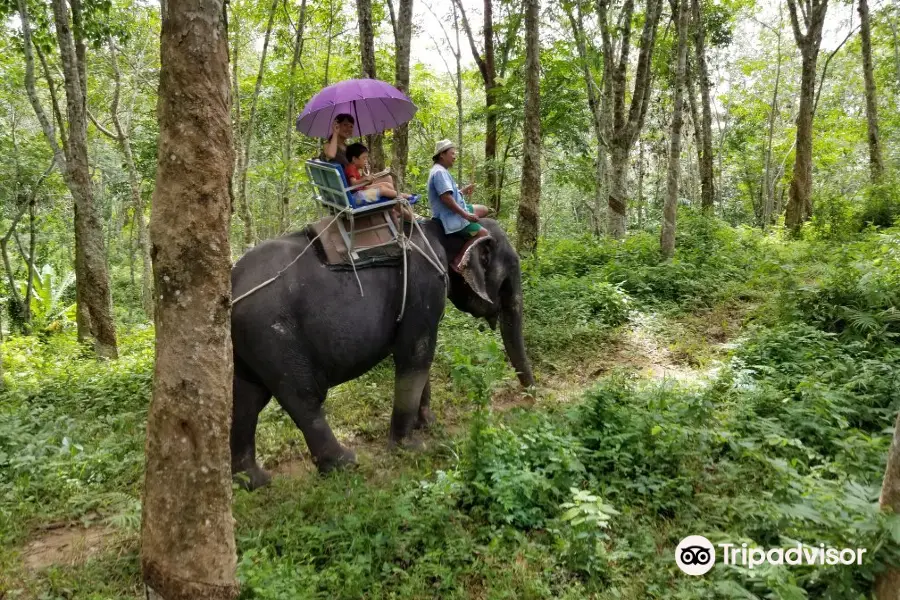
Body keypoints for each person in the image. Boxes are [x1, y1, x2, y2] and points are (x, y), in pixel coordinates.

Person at [427, 139, 491, 272]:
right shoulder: (439, 172)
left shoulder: (441, 170)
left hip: (454, 210)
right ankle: (458, 260)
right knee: (484, 233)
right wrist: (466, 215)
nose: (454, 157)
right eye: (452, 153)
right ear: (442, 155)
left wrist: (462, 191)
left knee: (483, 210)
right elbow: (445, 198)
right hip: (450, 216)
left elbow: (449, 194)